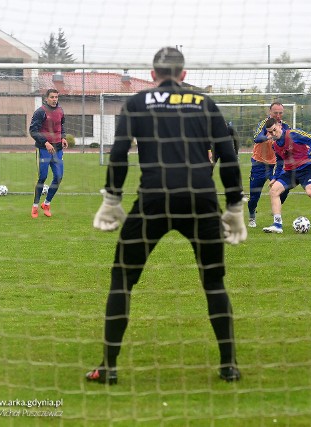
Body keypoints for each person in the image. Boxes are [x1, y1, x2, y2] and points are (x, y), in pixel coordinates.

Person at [86, 47, 247, 385]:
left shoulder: (137, 102)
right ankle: (229, 365)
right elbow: (228, 155)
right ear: (184, 74)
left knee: (122, 280)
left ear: (153, 73)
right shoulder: (204, 102)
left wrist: (112, 198)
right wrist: (234, 205)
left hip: (154, 200)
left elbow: (118, 151)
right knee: (214, 282)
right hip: (201, 200)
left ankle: (108, 367)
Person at [247, 102, 289, 228]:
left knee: (285, 189)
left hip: (276, 166)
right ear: (270, 112)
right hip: (259, 165)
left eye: (280, 113)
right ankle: (252, 215)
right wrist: (270, 136)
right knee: (254, 196)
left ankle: (275, 210)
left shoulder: (285, 127)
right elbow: (257, 138)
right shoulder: (264, 125)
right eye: (275, 112)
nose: (278, 115)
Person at [29, 88, 68, 218]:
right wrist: (45, 142)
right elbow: (33, 131)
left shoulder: (60, 110)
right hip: (44, 149)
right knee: (43, 177)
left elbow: (61, 126)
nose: (54, 99)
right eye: (52, 97)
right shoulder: (40, 112)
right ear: (46, 98)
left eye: (56, 97)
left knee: (58, 177)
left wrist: (63, 138)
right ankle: (35, 206)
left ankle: (46, 203)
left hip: (57, 150)